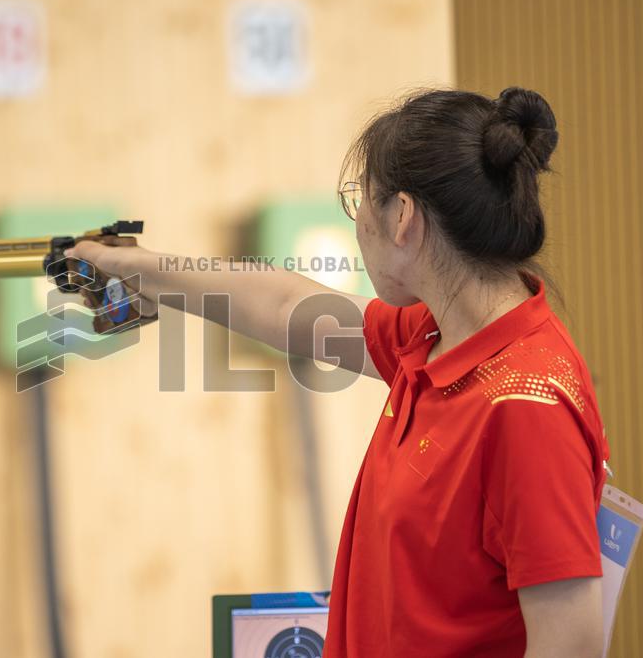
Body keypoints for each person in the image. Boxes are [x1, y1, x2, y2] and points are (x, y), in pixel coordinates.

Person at [66, 87, 608, 657]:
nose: (357, 227)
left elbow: (569, 644)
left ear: (402, 217)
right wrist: (136, 266)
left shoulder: (525, 408)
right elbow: (286, 309)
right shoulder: (437, 335)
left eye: (360, 203)